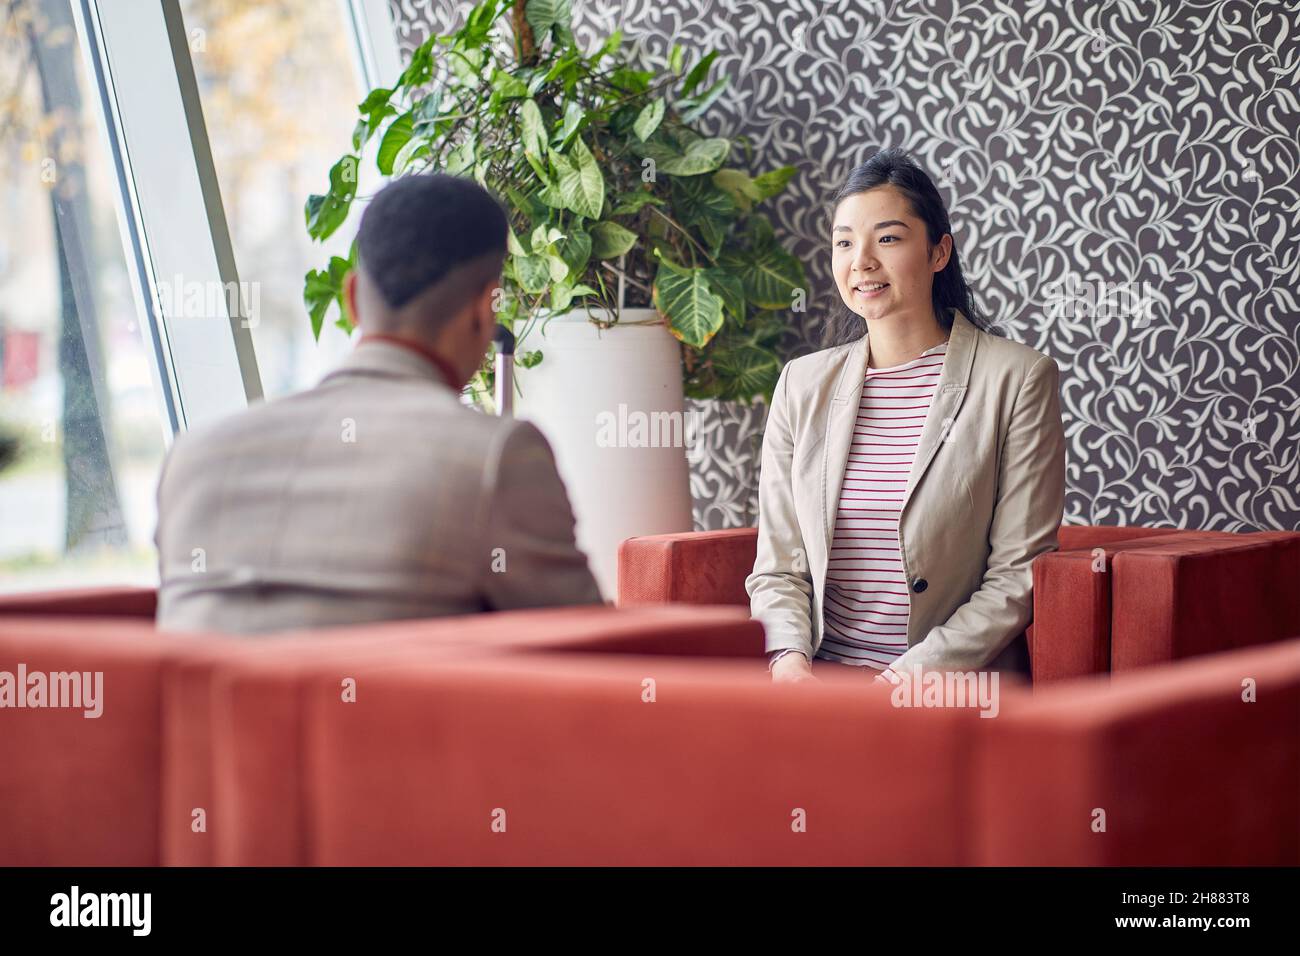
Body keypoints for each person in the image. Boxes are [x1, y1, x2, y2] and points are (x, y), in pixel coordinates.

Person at [153, 173, 604, 634]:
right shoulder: (496, 458)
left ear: (351, 299)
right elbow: (598, 659)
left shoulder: (193, 457)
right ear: (485, 311)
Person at [747, 147, 1066, 684]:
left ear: (939, 253)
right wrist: (789, 664)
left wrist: (898, 684)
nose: (862, 261)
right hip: (817, 683)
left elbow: (1017, 576)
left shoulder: (1016, 378)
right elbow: (779, 566)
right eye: (844, 242)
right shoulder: (801, 385)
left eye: (888, 238)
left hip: (943, 689)